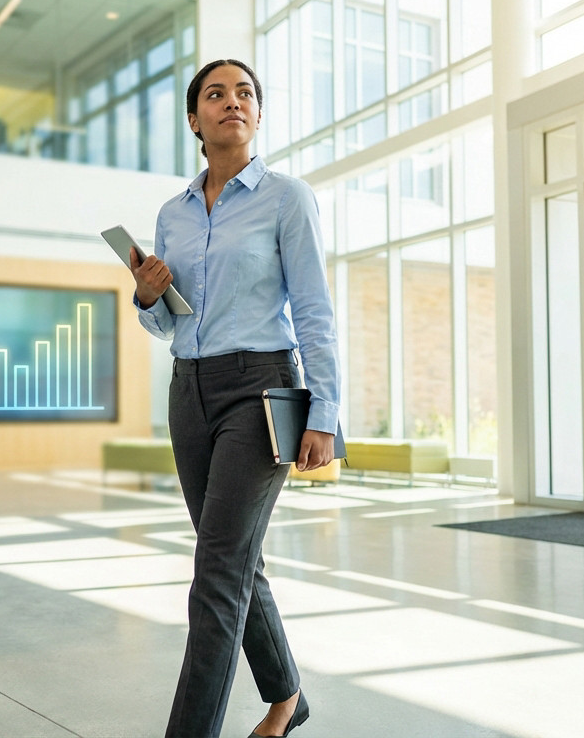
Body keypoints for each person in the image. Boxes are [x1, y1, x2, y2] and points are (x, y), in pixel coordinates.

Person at [128, 58, 340, 738]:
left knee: (216, 571)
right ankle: (287, 699)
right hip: (189, 391)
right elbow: (167, 324)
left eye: (244, 92)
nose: (232, 102)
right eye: (215, 94)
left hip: (261, 390)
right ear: (194, 118)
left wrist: (324, 415)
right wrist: (148, 294)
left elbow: (314, 312)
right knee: (234, 556)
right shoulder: (173, 214)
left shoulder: (287, 199)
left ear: (257, 113)